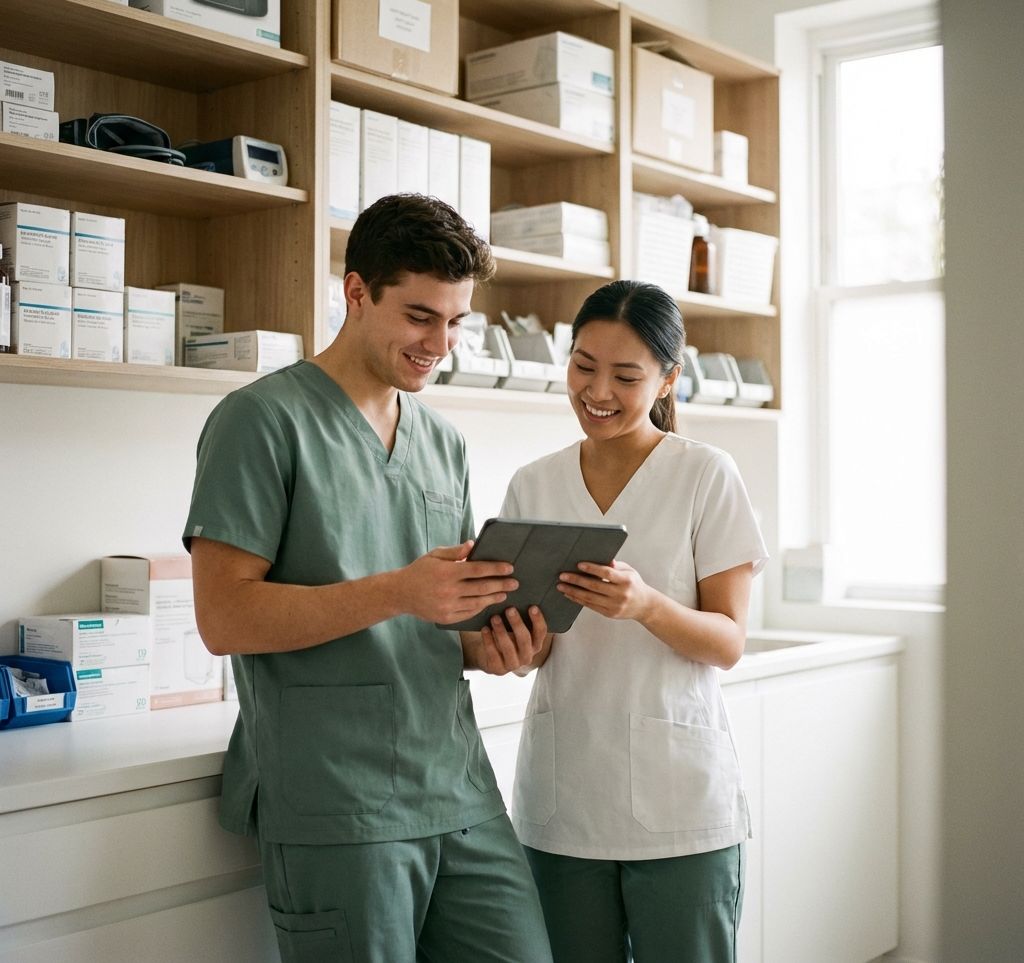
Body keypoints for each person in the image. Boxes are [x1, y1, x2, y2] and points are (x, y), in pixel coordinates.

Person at [184, 194, 553, 963]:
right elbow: (224, 618)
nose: (440, 343)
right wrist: (399, 590)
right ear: (356, 294)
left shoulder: (441, 440)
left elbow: (443, 624)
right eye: (421, 317)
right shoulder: (260, 422)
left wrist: (497, 646)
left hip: (456, 788)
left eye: (456, 323)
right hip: (336, 799)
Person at [501, 280, 767, 963]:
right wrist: (514, 642)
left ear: (669, 379)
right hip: (565, 799)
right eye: (584, 365)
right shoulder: (534, 483)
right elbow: (529, 647)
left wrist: (645, 605)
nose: (598, 391)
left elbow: (729, 642)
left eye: (626, 375)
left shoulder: (706, 474)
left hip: (680, 807)